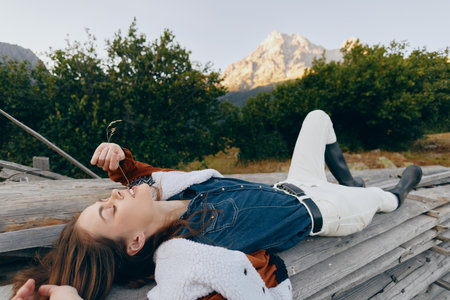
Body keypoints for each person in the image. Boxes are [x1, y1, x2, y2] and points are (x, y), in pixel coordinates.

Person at [12, 110, 422, 300]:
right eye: (109, 210)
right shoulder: (187, 254)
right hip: (327, 209)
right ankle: (389, 191)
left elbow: (140, 179)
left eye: (106, 198)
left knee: (317, 117)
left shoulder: (170, 193)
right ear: (135, 242)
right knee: (382, 199)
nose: (114, 194)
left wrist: (121, 160)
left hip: (292, 183)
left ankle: (348, 174)